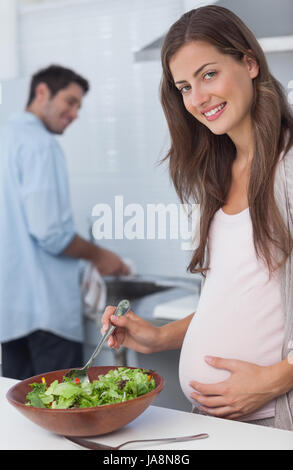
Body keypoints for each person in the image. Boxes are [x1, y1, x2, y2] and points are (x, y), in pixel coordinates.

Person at [101, 5, 293, 430]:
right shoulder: (218, 176)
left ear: (249, 62)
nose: (198, 99)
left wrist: (273, 380)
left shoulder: (289, 167)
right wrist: (157, 336)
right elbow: (234, 302)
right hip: (216, 422)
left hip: (272, 423)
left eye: (209, 74)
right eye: (184, 86)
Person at [0, 65, 130, 380]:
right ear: (42, 92)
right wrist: (102, 257)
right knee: (60, 409)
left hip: (10, 311)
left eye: (78, 106)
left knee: (21, 410)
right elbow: (51, 234)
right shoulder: (42, 144)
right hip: (46, 313)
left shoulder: (6, 136)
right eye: (70, 102)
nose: (74, 113)